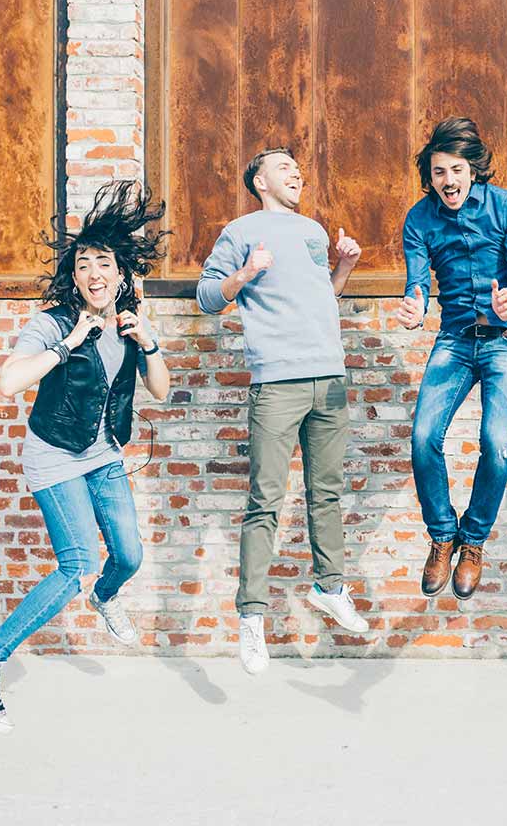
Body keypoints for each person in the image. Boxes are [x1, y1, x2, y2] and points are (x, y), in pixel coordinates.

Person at [0, 182, 171, 734]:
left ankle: (108, 597)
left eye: (105, 263)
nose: (94, 273)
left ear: (122, 275)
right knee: (76, 565)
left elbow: (163, 391)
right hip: (55, 458)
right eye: (84, 265)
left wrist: (147, 342)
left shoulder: (130, 326)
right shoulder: (53, 324)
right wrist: (67, 343)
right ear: (74, 276)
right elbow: (8, 383)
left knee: (127, 555)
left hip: (103, 455)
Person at [197, 148, 367, 676]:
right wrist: (246, 272)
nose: (296, 172)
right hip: (277, 381)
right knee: (265, 500)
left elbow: (323, 297)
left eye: (297, 167)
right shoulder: (241, 229)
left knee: (328, 492)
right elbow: (206, 295)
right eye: (284, 167)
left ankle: (330, 587)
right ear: (260, 180)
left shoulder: (314, 229)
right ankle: (251, 618)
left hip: (330, 377)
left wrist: (345, 265)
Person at [398, 117, 507, 600]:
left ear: (473, 169)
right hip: (454, 339)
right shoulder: (420, 218)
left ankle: (473, 540)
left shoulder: (506, 207)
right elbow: (417, 280)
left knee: (495, 442)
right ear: (429, 177)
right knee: (422, 437)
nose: (448, 181)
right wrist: (414, 303)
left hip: (506, 339)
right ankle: (442, 534)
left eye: (456, 169)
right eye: (438, 172)